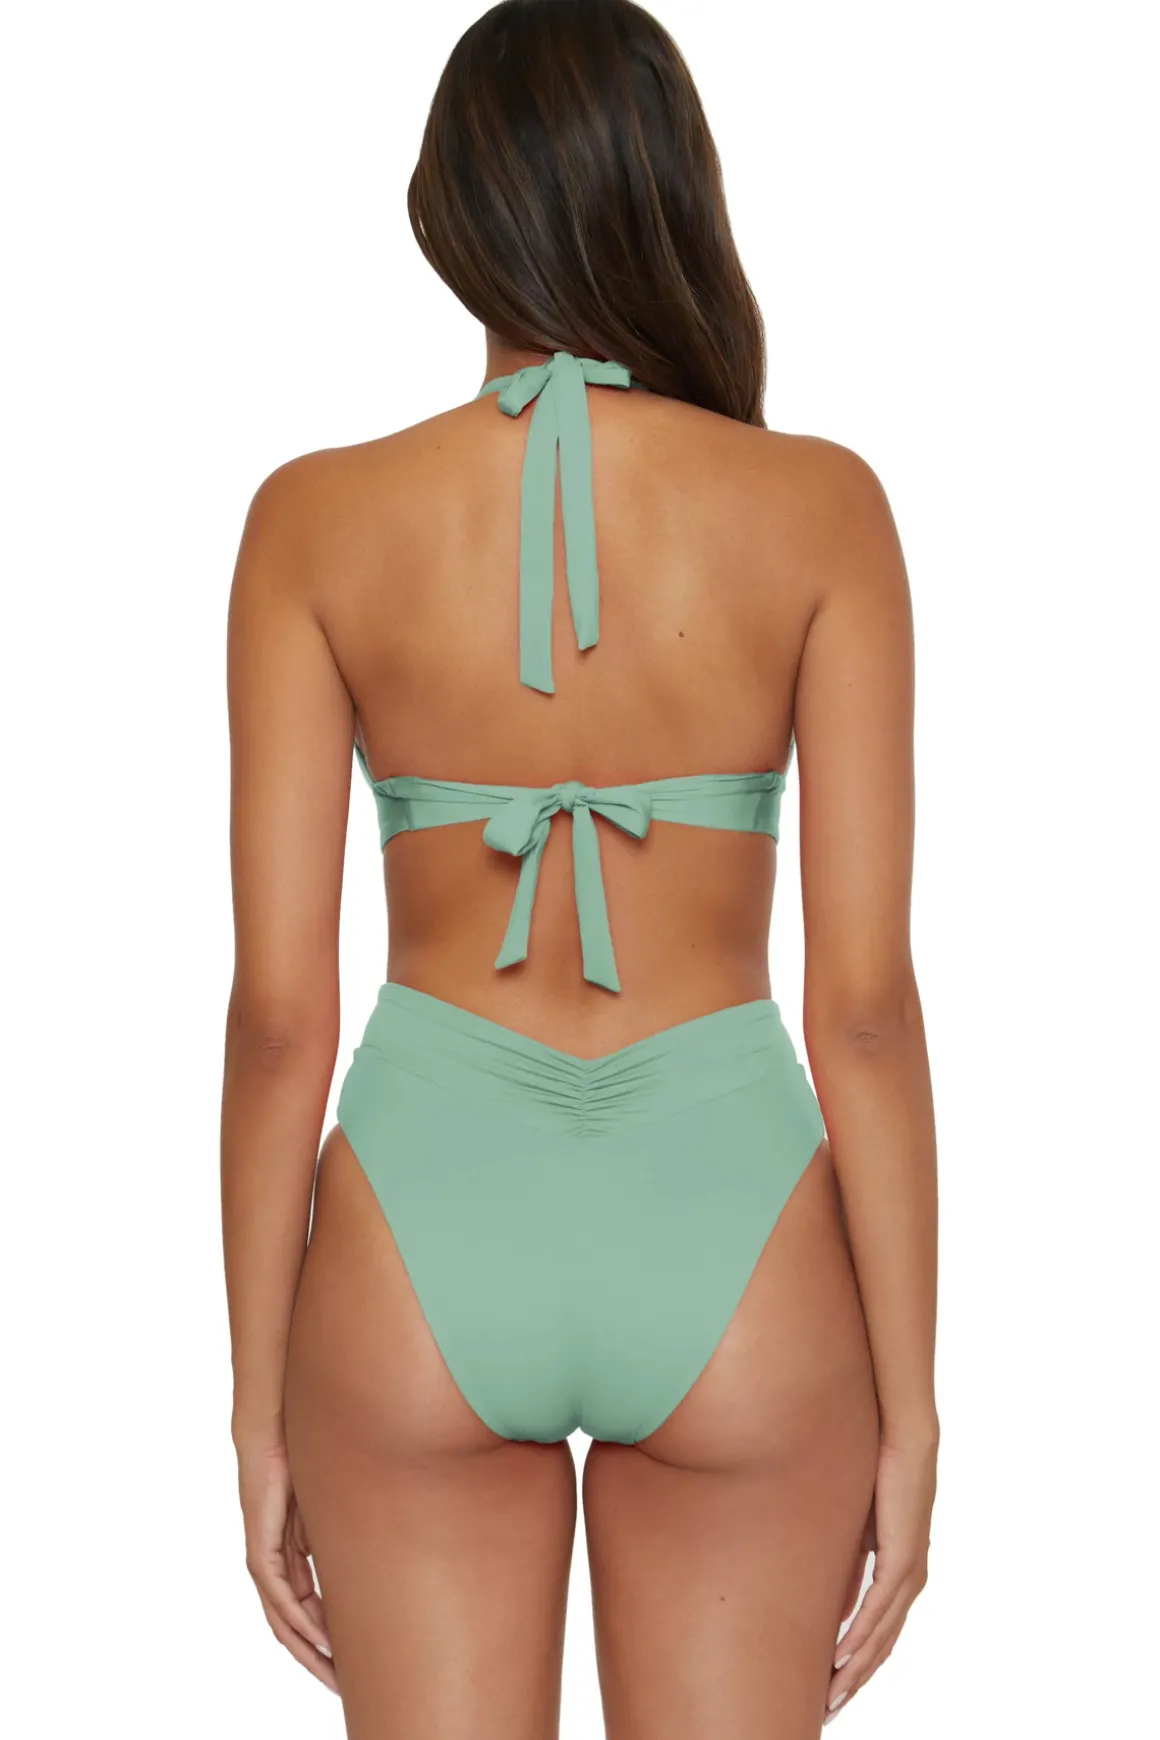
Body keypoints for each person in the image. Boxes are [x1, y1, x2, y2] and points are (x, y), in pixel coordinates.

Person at [220, 2, 938, 1735]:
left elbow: (276, 1022)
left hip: (419, 1225)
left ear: (451, 211)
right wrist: (915, 1409)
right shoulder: (821, 509)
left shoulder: (313, 521)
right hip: (736, 1227)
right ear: (674, 192)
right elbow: (861, 1010)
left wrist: (255, 1408)